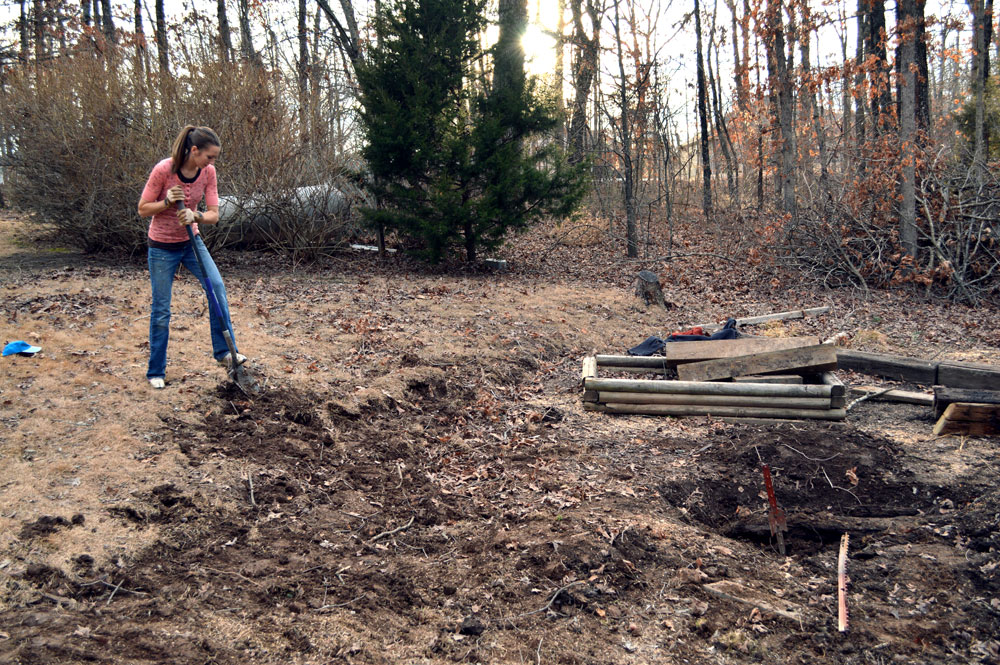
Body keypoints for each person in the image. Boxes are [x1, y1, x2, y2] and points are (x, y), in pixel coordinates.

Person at [138, 125, 244, 389]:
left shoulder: (208, 173)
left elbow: (213, 214)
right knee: (161, 309)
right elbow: (142, 209)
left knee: (217, 288)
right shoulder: (165, 170)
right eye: (209, 156)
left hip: (190, 242)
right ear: (194, 150)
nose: (212, 162)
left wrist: (195, 216)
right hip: (161, 247)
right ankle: (156, 371)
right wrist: (165, 203)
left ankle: (225, 354)